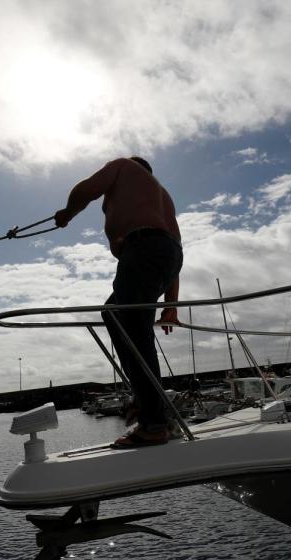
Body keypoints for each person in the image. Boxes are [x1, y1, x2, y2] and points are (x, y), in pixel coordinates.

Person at [54, 156, 182, 448]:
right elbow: (173, 251)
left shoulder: (124, 166)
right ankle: (148, 402)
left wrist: (68, 213)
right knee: (116, 316)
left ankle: (153, 423)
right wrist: (171, 305)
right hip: (163, 254)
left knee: (131, 327)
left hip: (144, 250)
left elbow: (85, 189)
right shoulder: (162, 199)